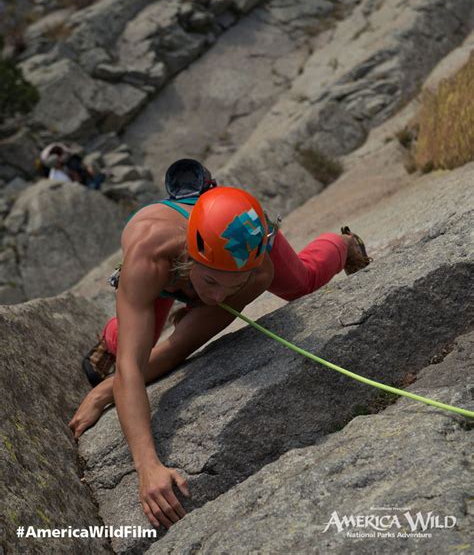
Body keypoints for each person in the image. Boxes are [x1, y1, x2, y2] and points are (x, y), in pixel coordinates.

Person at [69, 159, 371, 530]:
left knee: (302, 282)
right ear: (194, 258)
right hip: (171, 264)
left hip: (233, 229)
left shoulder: (257, 268)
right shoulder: (149, 255)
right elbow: (131, 367)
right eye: (212, 283)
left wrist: (105, 391)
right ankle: (112, 335)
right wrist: (147, 465)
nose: (218, 298)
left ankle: (344, 243)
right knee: (130, 345)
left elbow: (181, 345)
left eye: (232, 287)